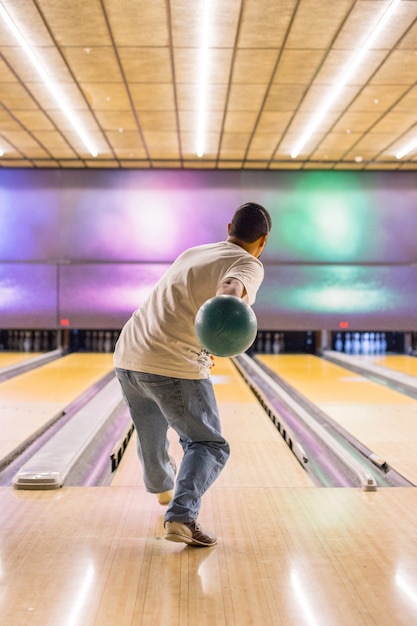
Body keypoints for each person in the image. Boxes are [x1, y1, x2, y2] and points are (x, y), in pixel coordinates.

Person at [114, 202, 272, 547]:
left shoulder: (194, 252)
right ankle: (182, 517)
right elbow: (231, 288)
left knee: (150, 429)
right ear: (263, 240)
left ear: (229, 226)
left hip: (127, 354)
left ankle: (163, 488)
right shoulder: (248, 263)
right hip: (173, 363)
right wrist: (227, 312)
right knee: (208, 444)